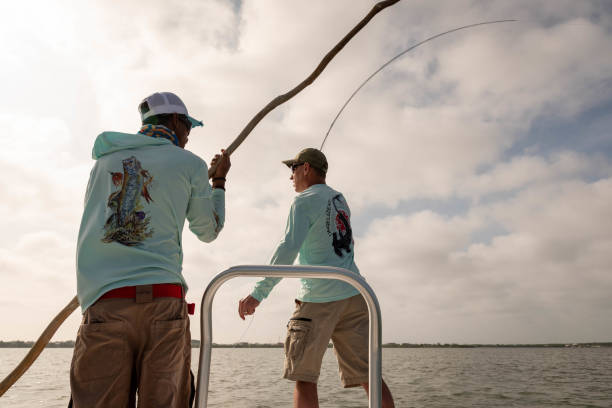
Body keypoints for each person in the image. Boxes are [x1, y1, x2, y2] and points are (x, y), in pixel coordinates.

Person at [70, 92, 230, 408]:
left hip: (105, 302)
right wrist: (219, 182)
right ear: (174, 120)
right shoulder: (191, 164)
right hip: (163, 303)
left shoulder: (103, 163)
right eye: (188, 127)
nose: (187, 135)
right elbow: (208, 231)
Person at [238, 148, 394, 408]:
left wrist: (258, 293)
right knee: (370, 377)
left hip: (320, 298)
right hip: (355, 295)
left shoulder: (303, 201)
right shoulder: (340, 200)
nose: (291, 177)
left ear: (306, 168)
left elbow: (287, 248)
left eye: (293, 169)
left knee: (304, 377)